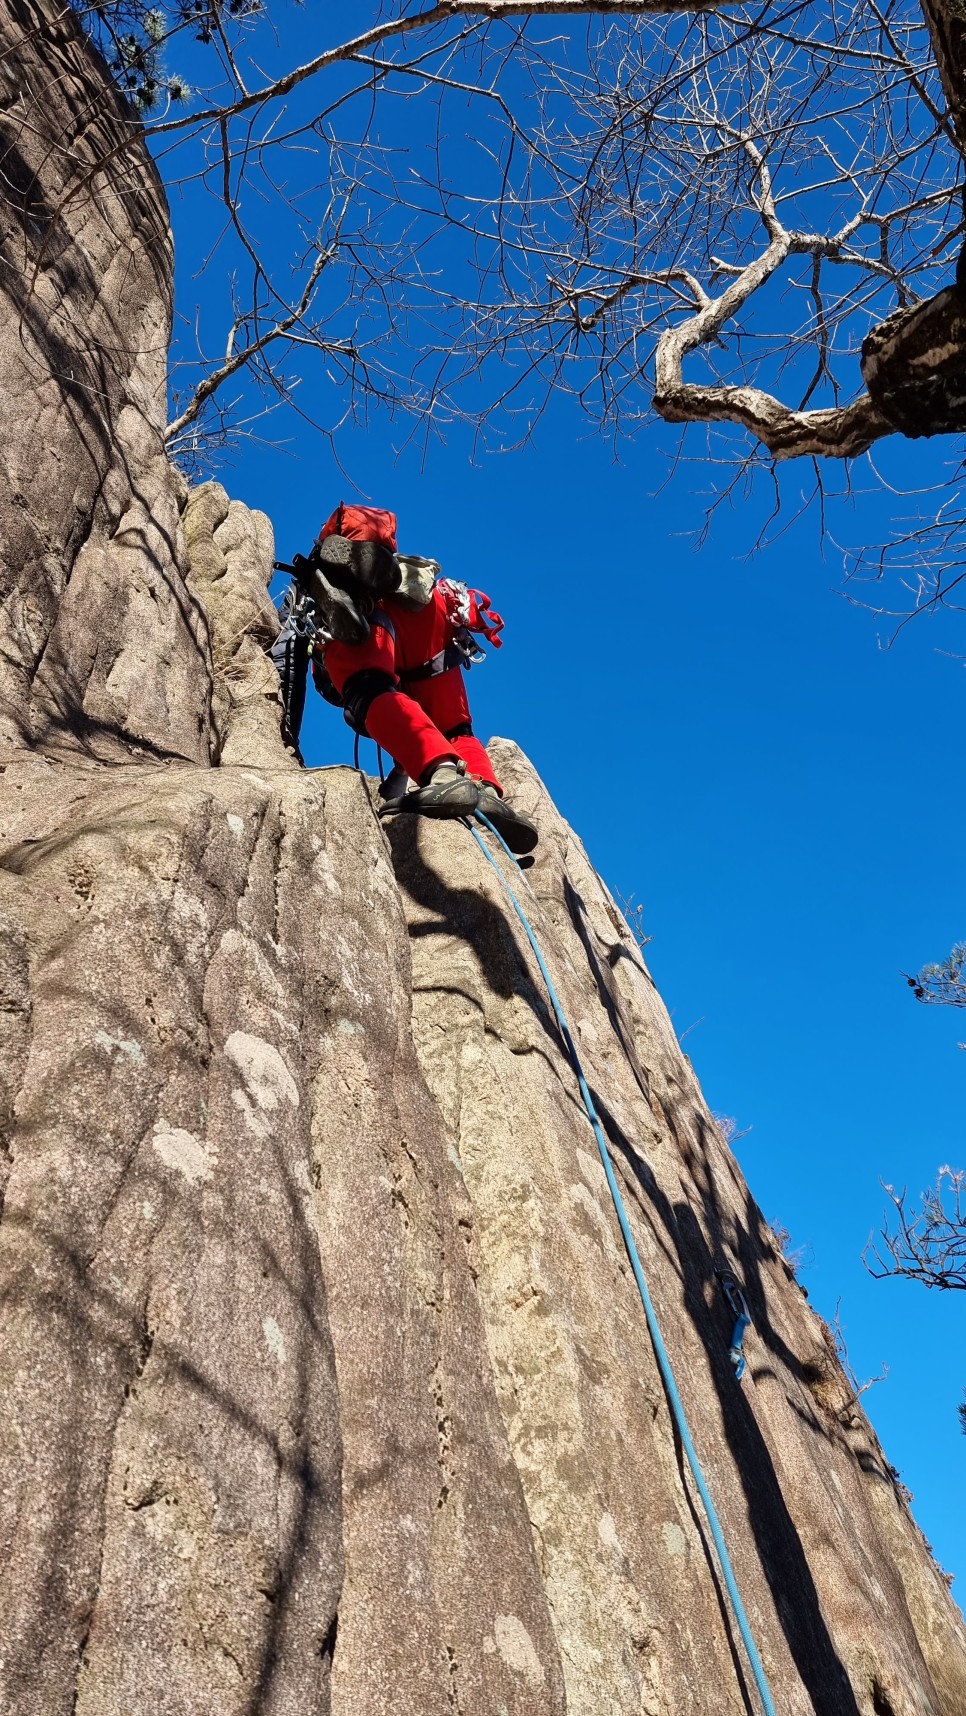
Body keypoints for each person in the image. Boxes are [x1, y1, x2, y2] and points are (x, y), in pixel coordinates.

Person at [301, 502, 538, 856]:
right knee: (455, 732)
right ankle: (486, 791)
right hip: (432, 614)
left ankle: (442, 774)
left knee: (370, 690)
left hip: (370, 608)